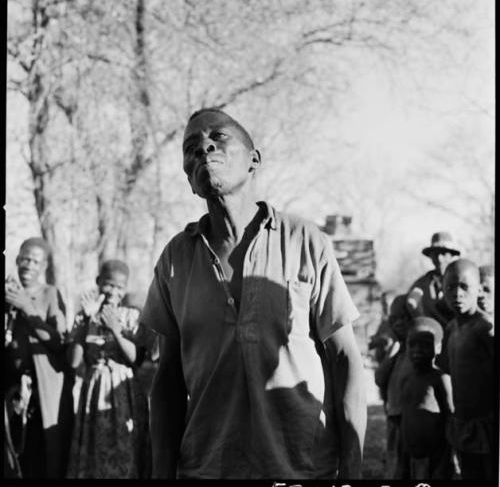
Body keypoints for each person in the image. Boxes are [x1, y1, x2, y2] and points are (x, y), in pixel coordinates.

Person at [140, 107, 367, 479]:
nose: (204, 148)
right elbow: (167, 377)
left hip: (302, 469)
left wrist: (353, 470)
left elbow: (344, 359)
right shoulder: (175, 259)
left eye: (218, 137)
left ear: (253, 160)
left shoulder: (304, 241)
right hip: (208, 470)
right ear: (188, 178)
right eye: (191, 147)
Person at [66, 260, 152, 478]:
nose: (114, 291)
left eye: (120, 287)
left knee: (124, 449)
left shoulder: (132, 316)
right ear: (98, 282)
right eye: (109, 285)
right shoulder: (84, 315)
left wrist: (115, 329)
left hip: (123, 393)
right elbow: (73, 362)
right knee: (93, 453)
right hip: (93, 391)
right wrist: (85, 319)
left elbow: (137, 360)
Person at [4, 237, 73, 478]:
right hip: (12, 390)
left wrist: (27, 307)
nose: (28, 265)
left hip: (43, 391)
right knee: (13, 454)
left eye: (35, 261)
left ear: (43, 267)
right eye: (25, 259)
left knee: (42, 453)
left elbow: (58, 342)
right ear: (16, 259)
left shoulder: (51, 294)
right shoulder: (8, 291)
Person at [440, 259, 495, 480]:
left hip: (489, 427)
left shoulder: (486, 328)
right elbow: (447, 368)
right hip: (462, 425)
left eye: (465, 286)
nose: (457, 294)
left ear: (479, 289)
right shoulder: (451, 328)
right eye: (450, 287)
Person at [400, 317, 454, 479]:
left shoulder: (440, 379)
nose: (417, 349)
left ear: (438, 347)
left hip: (436, 458)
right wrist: (402, 459)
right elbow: (405, 420)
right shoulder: (407, 380)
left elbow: (450, 420)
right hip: (412, 458)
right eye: (412, 344)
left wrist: (446, 460)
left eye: (424, 344)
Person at [374, 295, 412, 479]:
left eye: (405, 318)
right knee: (395, 460)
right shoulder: (398, 350)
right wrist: (394, 346)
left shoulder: (418, 351)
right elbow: (380, 378)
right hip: (394, 414)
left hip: (413, 420)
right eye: (394, 319)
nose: (398, 323)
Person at [406, 231, 460, 327]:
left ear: (451, 255)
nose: (439, 259)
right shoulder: (422, 284)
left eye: (443, 253)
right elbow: (411, 306)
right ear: (430, 256)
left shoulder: (462, 281)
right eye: (435, 254)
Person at [368, 289, 397, 365]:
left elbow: (388, 340)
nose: (385, 307)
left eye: (387, 304)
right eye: (383, 304)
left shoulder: (397, 322)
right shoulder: (384, 321)